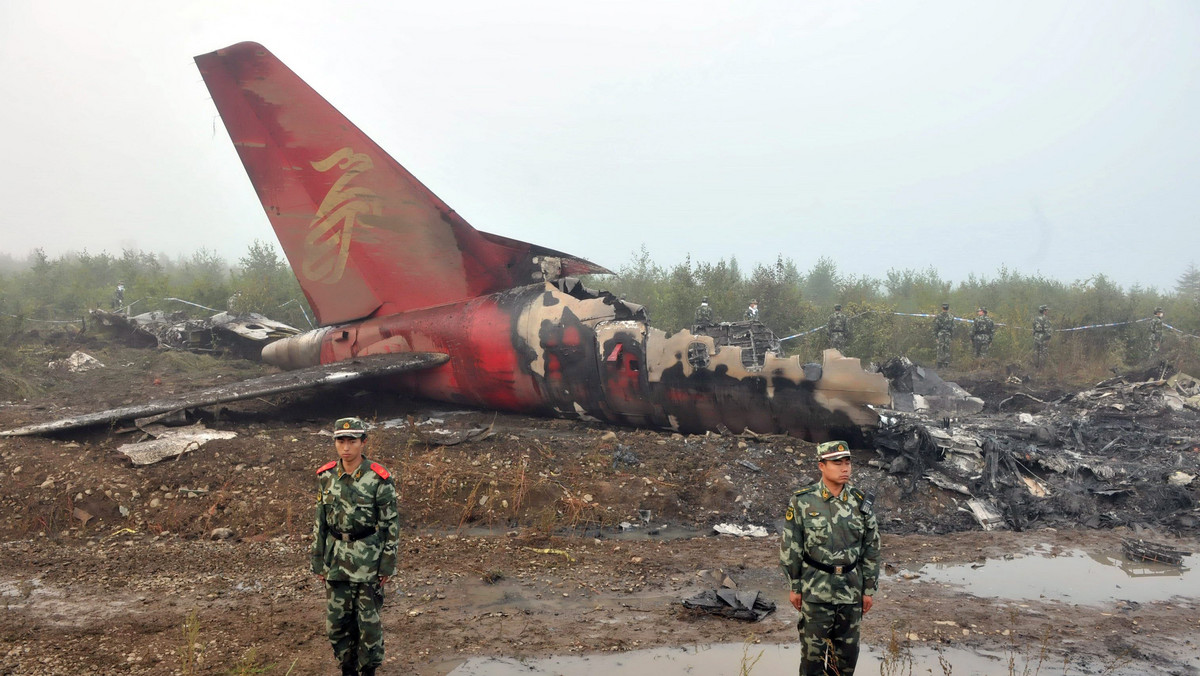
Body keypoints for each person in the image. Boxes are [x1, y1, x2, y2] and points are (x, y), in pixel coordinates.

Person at [780, 441, 880, 676]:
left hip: (850, 592)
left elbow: (871, 547)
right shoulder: (803, 501)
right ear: (821, 466)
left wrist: (868, 590)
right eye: (837, 463)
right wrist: (794, 586)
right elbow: (791, 547)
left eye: (847, 463)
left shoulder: (861, 502)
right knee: (812, 663)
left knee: (844, 663)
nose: (845, 468)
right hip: (815, 592)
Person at [312, 417, 400, 676]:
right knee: (337, 624)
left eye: (352, 441)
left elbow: (390, 525)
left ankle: (368, 670)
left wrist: (387, 564)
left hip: (368, 560)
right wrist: (318, 561)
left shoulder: (378, 477)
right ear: (335, 443)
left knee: (368, 624)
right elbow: (320, 522)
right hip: (336, 560)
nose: (346, 447)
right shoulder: (326, 476)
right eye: (341, 441)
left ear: (363, 442)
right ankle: (347, 668)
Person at [933, 303, 953, 368]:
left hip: (940, 333)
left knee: (940, 348)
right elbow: (953, 327)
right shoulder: (951, 316)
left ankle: (939, 363)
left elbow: (935, 327)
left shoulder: (938, 316)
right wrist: (951, 336)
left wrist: (935, 336)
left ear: (942, 308)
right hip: (948, 333)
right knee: (947, 348)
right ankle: (946, 363)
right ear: (948, 308)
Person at [1032, 305, 1052, 369]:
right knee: (1043, 353)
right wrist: (1048, 338)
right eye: (1046, 310)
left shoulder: (1035, 318)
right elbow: (1048, 331)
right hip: (1043, 337)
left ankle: (1036, 367)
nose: (1047, 311)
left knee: (1036, 352)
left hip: (1036, 337)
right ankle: (1041, 369)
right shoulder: (1046, 319)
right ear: (1044, 311)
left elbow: (1033, 328)